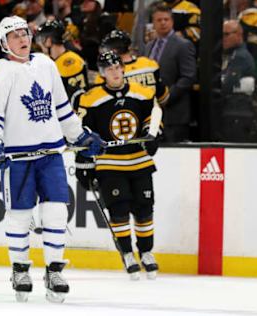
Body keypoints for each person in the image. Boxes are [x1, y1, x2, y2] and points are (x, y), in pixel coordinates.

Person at [0, 15, 105, 303]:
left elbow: (62, 109)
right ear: (3, 43)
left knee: (57, 212)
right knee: (20, 216)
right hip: (17, 158)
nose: (22, 39)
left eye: (24, 34)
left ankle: (54, 270)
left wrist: (81, 136)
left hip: (51, 155)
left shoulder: (47, 65)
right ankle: (20, 270)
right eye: (14, 37)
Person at [74, 51, 162, 281]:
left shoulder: (142, 93)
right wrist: (83, 161)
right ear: (102, 74)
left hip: (139, 161)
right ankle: (127, 254)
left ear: (123, 68)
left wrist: (152, 134)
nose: (114, 72)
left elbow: (153, 116)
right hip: (109, 164)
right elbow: (82, 131)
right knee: (119, 210)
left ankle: (146, 252)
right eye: (108, 69)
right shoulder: (90, 99)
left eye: (116, 67)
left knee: (144, 209)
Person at [144, 3, 196, 142]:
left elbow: (188, 77)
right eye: (159, 20)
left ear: (172, 21)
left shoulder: (183, 45)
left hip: (175, 114)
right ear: (153, 23)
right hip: (150, 114)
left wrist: (166, 97)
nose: (163, 23)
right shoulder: (149, 46)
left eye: (166, 19)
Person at [93, 29, 169, 107]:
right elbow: (163, 98)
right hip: (151, 115)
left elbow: (99, 104)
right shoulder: (149, 64)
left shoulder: (107, 73)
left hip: (124, 116)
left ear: (113, 51)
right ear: (129, 47)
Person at [35, 19, 88, 104]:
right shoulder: (55, 59)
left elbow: (71, 96)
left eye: (41, 39)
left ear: (48, 41)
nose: (39, 44)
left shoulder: (69, 61)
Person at [219, 19, 256, 142]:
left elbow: (227, 85)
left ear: (239, 35)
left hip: (237, 112)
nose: (223, 38)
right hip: (234, 111)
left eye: (226, 34)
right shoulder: (232, 55)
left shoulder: (240, 56)